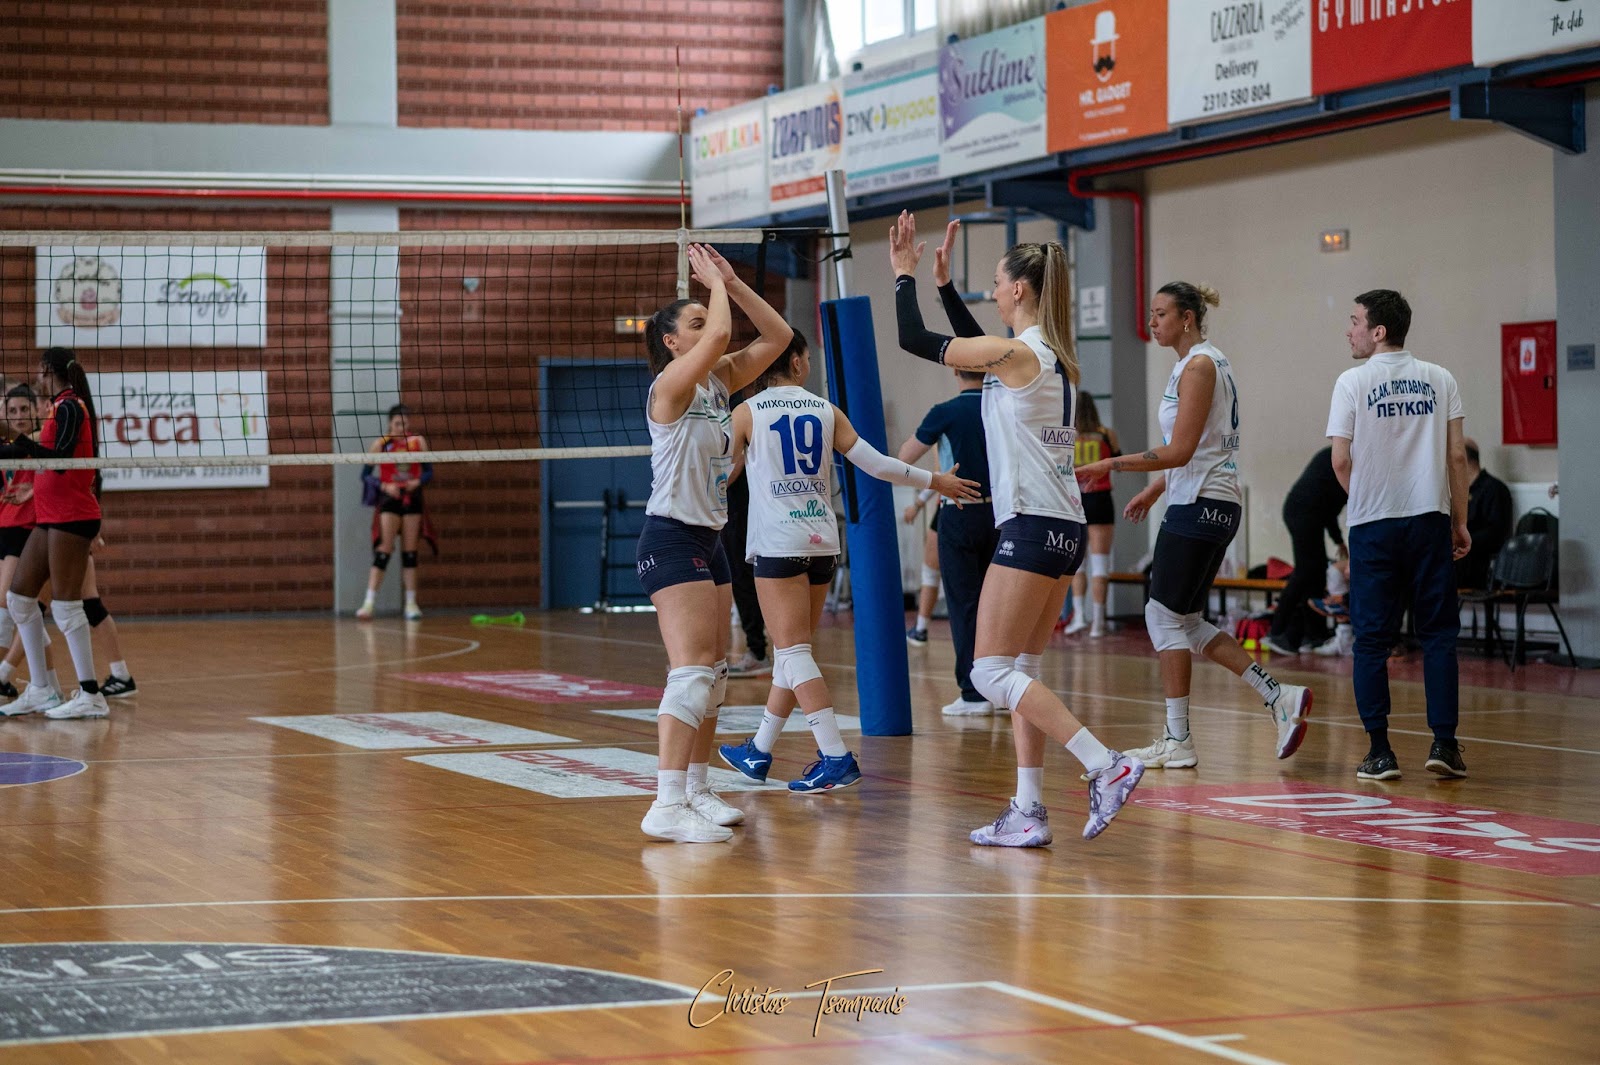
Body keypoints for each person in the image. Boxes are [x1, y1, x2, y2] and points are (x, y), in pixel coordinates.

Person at [890, 210, 1144, 846]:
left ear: (1020, 289)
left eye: (998, 284)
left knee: (988, 672)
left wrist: (904, 276)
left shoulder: (1019, 354)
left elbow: (913, 338)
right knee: (1022, 668)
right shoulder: (1045, 356)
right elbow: (980, 349)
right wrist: (946, 288)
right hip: (1065, 527)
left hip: (1031, 525)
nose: (995, 292)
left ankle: (1106, 765)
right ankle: (1028, 809)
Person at [718, 330, 978, 792]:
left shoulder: (746, 412)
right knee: (792, 655)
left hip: (778, 543)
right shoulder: (825, 409)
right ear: (798, 363)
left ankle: (835, 755)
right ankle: (758, 750)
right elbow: (877, 464)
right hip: (822, 543)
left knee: (793, 653)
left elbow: (724, 474)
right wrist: (934, 481)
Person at [1077, 283, 1312, 770]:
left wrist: (1110, 465)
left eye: (1161, 314)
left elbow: (1182, 450)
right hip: (1205, 500)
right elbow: (1198, 447)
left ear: (1187, 318)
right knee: (1184, 620)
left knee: (1161, 617)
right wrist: (1154, 490)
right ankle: (1278, 696)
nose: (1152, 322)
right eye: (1151, 313)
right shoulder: (1196, 364)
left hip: (1203, 504)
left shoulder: (1201, 365)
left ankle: (1178, 739)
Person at [637, 244, 792, 843]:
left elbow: (778, 337)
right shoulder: (671, 385)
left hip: (710, 537)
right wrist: (716, 288)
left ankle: (697, 789)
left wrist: (732, 281)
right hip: (670, 536)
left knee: (716, 674)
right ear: (672, 342)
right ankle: (666, 802)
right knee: (692, 671)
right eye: (695, 324)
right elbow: (725, 331)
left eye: (707, 320)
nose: (710, 330)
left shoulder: (718, 382)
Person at [1328, 289, 1470, 780]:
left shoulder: (1351, 382)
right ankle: (1444, 745)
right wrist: (1459, 520)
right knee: (1438, 636)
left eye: (1354, 321)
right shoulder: (1441, 378)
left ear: (1378, 330)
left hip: (1374, 525)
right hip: (1429, 519)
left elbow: (1340, 460)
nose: (1348, 330)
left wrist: (1367, 497)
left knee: (1371, 640)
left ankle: (1380, 752)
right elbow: (1457, 456)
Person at [0, 346, 111, 719]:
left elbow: (60, 461)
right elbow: (36, 457)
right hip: (50, 516)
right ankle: (42, 690)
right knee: (19, 599)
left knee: (65, 606)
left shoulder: (70, 407)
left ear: (49, 371)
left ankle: (91, 694)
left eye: (39, 370)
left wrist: (19, 441)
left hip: (71, 517)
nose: (36, 376)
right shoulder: (57, 409)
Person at [1262, 447, 1347, 655]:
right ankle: (1277, 632)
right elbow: (1330, 506)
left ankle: (1314, 635)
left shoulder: (1339, 455)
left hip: (1308, 513)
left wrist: (1338, 541)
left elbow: (1329, 508)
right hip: (1302, 512)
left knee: (1316, 573)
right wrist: (1338, 540)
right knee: (1306, 571)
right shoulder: (1342, 458)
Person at [355, 404, 432, 621]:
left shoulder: (417, 442)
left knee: (410, 553)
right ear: (390, 423)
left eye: (405, 423)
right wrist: (384, 486)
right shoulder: (381, 444)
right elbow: (365, 475)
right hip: (389, 499)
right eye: (398, 423)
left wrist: (418, 481)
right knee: (384, 550)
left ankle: (411, 603)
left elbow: (429, 472)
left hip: (412, 498)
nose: (401, 427)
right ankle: (368, 603)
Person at [720, 396, 771, 678]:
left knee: (744, 576)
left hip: (741, 506)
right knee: (739, 577)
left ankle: (758, 651)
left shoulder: (737, 407)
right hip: (735, 506)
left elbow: (734, 462)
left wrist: (709, 487)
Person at [1065, 391, 1119, 638]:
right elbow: (1118, 462)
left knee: (1078, 564)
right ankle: (1098, 621)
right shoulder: (1106, 434)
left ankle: (1079, 617)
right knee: (1100, 565)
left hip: (1075, 500)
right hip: (1100, 500)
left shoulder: (1068, 436)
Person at [1455, 438, 1513, 591]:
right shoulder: (1459, 490)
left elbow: (1496, 533)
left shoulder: (1494, 489)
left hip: (1479, 558)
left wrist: (1462, 541)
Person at [902, 491, 940, 646]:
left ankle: (920, 629)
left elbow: (940, 477)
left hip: (952, 507)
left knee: (930, 572)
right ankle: (920, 629)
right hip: (988, 510)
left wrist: (917, 504)